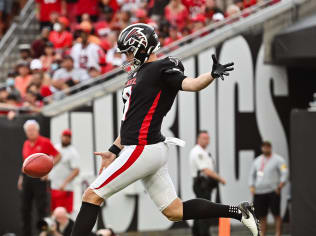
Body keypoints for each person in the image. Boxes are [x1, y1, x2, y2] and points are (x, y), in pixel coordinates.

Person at [70, 23, 260, 236]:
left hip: (143, 148)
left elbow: (192, 84)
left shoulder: (161, 69)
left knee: (91, 195)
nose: (128, 57)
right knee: (174, 210)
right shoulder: (138, 74)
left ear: (143, 47)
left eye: (131, 51)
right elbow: (131, 121)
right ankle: (240, 212)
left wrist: (211, 75)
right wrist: (113, 151)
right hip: (147, 148)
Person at [18, 120, 61, 236]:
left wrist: (48, 170)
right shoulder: (26, 143)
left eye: (32, 130)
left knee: (41, 208)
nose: (31, 132)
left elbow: (58, 155)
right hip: (28, 178)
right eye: (28, 130)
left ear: (37, 130)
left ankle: (43, 233)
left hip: (40, 179)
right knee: (25, 208)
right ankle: (26, 233)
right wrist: (21, 177)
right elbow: (25, 163)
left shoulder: (45, 142)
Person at [190, 130, 226, 236]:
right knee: (204, 212)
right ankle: (204, 233)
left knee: (199, 212)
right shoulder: (198, 152)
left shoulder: (204, 152)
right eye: (204, 138)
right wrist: (220, 179)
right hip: (202, 185)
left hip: (205, 185)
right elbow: (205, 170)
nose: (206, 140)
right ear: (198, 139)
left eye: (208, 138)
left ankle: (197, 233)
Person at [249, 141, 288, 236]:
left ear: (270, 148)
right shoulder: (257, 160)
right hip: (259, 192)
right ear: (261, 148)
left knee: (276, 214)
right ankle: (262, 234)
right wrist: (251, 186)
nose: (265, 149)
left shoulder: (278, 160)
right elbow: (251, 174)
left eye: (267, 147)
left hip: (272, 191)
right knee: (262, 215)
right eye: (264, 147)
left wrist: (280, 185)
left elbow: (284, 172)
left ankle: (278, 233)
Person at [50, 129, 80, 213]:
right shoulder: (56, 148)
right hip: (54, 187)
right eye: (64, 136)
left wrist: (65, 183)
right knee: (54, 213)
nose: (66, 138)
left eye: (68, 137)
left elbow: (76, 170)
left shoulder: (73, 152)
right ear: (61, 137)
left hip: (65, 189)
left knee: (64, 214)